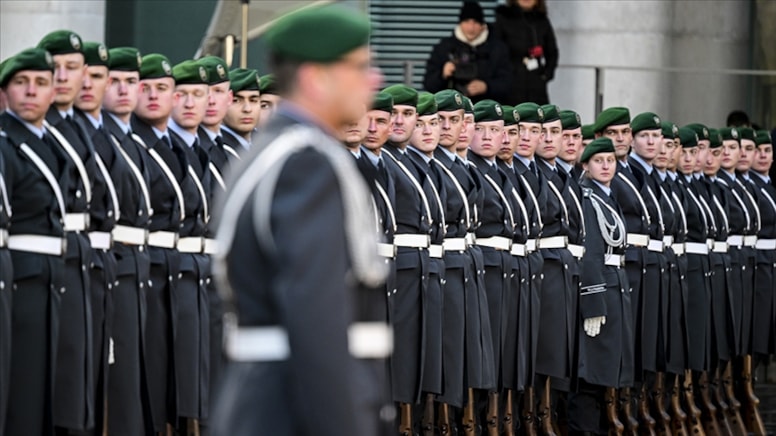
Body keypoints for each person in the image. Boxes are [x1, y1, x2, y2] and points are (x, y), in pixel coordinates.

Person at [210, 4, 390, 436]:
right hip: (294, 410)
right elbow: (317, 316)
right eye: (360, 67)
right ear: (316, 79)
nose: (375, 80)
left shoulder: (273, 152)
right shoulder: (306, 164)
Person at [37, 29, 103, 434]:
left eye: (72, 68)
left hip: (83, 260)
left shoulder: (81, 127)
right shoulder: (34, 129)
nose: (62, 76)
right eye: (54, 68)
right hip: (47, 261)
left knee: (80, 373)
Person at [0, 47, 68, 436]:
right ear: (6, 91)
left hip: (48, 278)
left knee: (43, 387)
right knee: (20, 389)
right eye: (21, 83)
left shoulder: (53, 142)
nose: (30, 92)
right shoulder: (7, 142)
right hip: (19, 279)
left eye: (41, 83)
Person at [131, 52, 187, 434]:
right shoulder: (134, 142)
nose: (153, 96)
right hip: (146, 263)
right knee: (151, 370)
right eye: (145, 88)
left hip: (178, 266)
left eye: (162, 88)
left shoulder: (179, 144)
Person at [102, 45, 154, 436]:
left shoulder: (135, 142)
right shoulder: (103, 138)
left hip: (138, 265)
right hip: (111, 263)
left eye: (130, 82)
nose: (123, 90)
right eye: (113, 81)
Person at [567, 137, 633, 436]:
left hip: (614, 287)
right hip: (601, 289)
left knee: (603, 371)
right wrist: (593, 302)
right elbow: (591, 252)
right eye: (598, 161)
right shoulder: (588, 198)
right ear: (585, 165)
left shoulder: (607, 196)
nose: (606, 166)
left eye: (610, 160)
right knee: (590, 374)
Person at [73, 41, 122, 436]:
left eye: (97, 76)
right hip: (74, 263)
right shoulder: (67, 132)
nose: (88, 84)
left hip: (106, 264)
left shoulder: (107, 134)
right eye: (81, 74)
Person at [423, 1, 512, 103]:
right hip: (451, 108)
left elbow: (507, 83)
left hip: (486, 109)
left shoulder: (497, 49)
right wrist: (442, 74)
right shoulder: (444, 47)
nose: (471, 27)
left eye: (475, 22)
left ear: (482, 25)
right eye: (467, 22)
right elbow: (428, 85)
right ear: (460, 23)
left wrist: (486, 86)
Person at [493, 0, 559, 105]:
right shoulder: (504, 18)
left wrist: (546, 75)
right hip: (510, 84)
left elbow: (552, 52)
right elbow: (496, 51)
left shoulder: (542, 20)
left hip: (536, 83)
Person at [221, 68, 261, 151]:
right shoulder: (216, 148)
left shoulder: (262, 144)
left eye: (253, 100)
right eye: (236, 101)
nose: (247, 109)